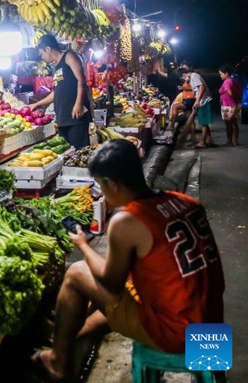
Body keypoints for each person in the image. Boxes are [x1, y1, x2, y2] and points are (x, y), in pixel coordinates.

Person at [32, 140, 225, 380]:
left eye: (100, 186)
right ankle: (70, 332)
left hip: (176, 333)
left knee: (77, 274)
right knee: (127, 290)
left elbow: (110, 285)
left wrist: (83, 246)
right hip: (212, 322)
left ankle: (57, 361)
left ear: (111, 184)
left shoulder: (127, 221)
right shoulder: (187, 202)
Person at [29, 35, 91, 149]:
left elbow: (81, 80)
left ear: (48, 49)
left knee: (80, 151)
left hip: (76, 117)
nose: (42, 57)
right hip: (63, 119)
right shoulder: (56, 67)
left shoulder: (69, 56)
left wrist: (78, 104)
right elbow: (55, 93)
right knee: (68, 154)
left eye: (42, 53)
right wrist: (37, 104)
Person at [181, 62, 214, 148]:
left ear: (184, 74)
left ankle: (202, 142)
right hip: (202, 101)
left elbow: (201, 87)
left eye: (183, 77)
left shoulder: (194, 76)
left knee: (203, 123)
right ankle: (209, 140)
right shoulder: (193, 76)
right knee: (204, 122)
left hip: (204, 101)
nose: (184, 79)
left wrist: (197, 101)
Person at [169, 65, 197, 143]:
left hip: (189, 99)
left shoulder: (189, 79)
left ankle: (172, 125)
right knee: (190, 118)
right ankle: (193, 137)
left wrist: (183, 88)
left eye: (181, 77)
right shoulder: (189, 78)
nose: (181, 79)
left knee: (175, 107)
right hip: (189, 99)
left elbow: (194, 87)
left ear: (184, 74)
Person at [218, 65, 242, 146]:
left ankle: (229, 141)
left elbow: (229, 92)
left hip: (228, 105)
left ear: (226, 73)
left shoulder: (227, 81)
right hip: (234, 105)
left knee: (228, 125)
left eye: (221, 74)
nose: (220, 76)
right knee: (235, 124)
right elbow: (240, 92)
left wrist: (232, 97)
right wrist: (237, 102)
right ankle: (236, 141)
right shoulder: (234, 81)